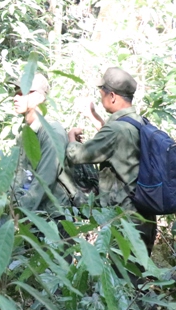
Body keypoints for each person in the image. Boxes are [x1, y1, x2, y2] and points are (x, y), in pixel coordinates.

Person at [66, 67, 156, 254]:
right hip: (145, 215)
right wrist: (96, 118)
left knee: (123, 276)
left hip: (125, 219)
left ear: (112, 96)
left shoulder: (115, 130)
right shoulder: (141, 123)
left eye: (102, 94)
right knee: (137, 271)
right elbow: (120, 146)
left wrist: (71, 139)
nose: (101, 98)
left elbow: (77, 155)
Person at [9, 74, 70, 221]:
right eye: (15, 92)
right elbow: (18, 174)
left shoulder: (51, 133)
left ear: (38, 98)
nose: (15, 98)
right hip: (31, 215)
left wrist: (19, 214)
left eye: (22, 92)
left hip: (51, 219)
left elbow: (44, 181)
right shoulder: (26, 132)